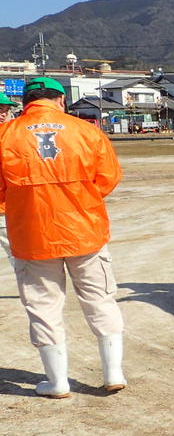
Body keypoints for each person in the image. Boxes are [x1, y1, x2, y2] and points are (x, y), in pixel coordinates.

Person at [0, 77, 126, 397]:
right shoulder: (86, 131)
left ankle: (57, 382)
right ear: (60, 100)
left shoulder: (5, 135)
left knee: (43, 305)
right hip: (85, 230)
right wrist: (80, 200)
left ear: (26, 101)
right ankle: (113, 372)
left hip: (32, 234)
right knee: (99, 298)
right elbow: (107, 178)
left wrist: (18, 205)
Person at [0, 92, 18, 263]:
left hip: (7, 208)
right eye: (0, 109)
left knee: (17, 253)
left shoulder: (14, 135)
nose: (3, 113)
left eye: (6, 109)